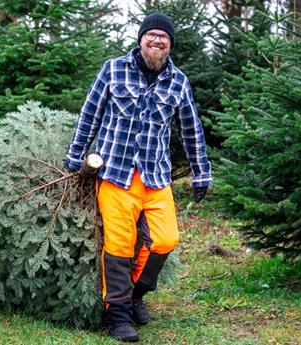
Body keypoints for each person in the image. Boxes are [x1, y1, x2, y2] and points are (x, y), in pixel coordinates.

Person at [64, 13, 212, 343]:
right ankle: (117, 315)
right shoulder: (113, 69)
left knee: (165, 240)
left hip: (155, 176)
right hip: (116, 173)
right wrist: (76, 156)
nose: (157, 41)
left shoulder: (179, 81)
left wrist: (201, 173)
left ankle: (135, 295)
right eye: (152, 35)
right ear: (141, 38)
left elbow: (191, 131)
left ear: (170, 44)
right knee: (119, 244)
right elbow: (90, 114)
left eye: (164, 37)